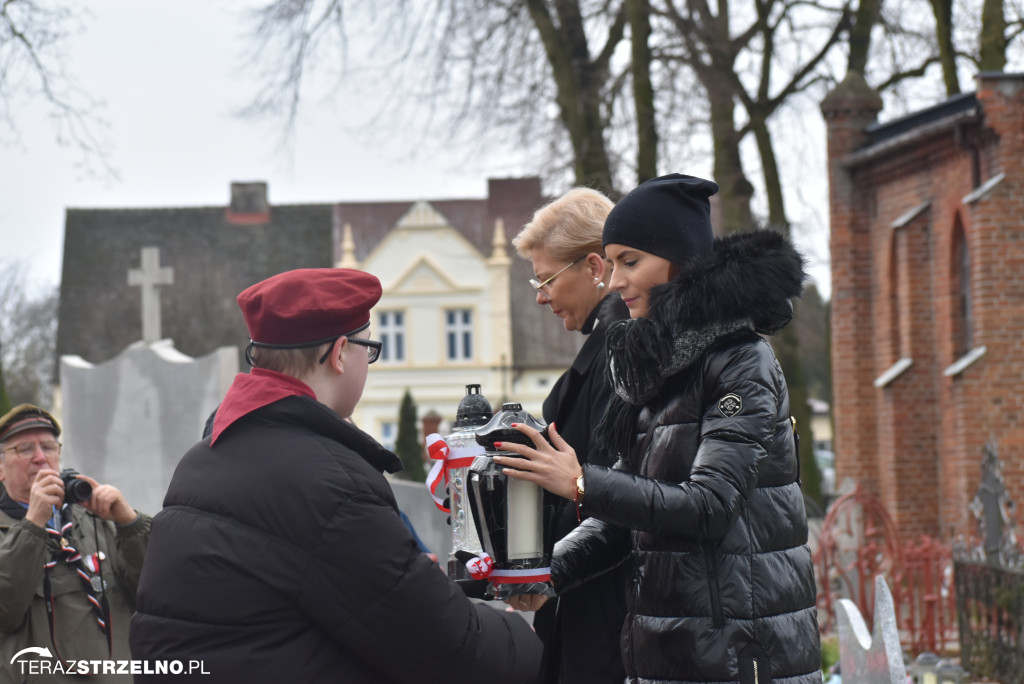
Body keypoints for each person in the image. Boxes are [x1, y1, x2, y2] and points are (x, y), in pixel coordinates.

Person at [129, 268, 542, 683]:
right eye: (370, 348)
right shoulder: (330, 485)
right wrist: (535, 635)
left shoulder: (205, 456)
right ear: (340, 353)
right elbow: (452, 650)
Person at [497, 175, 822, 683]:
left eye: (631, 261)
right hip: (668, 653)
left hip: (737, 657)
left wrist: (581, 481)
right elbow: (627, 519)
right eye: (613, 262)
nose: (615, 280)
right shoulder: (659, 365)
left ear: (679, 262)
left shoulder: (741, 362)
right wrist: (548, 574)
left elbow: (709, 505)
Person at [510, 188, 629, 684]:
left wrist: (547, 572)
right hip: (591, 613)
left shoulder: (620, 358)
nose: (540, 296)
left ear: (595, 267)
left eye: (547, 279)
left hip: (606, 623)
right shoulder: (604, 353)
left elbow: (618, 503)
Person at [0, 404, 150, 683]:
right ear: (0, 469)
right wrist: (33, 523)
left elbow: (154, 594)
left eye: (49, 447)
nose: (41, 458)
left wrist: (130, 523)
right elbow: (5, 610)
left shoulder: (95, 519)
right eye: (24, 449)